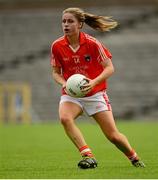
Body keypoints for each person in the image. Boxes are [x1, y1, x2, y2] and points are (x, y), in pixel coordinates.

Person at [50, 7, 145, 169]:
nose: (66, 24)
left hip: (95, 94)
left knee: (113, 136)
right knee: (65, 118)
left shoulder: (93, 43)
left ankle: (134, 158)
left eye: (70, 21)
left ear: (80, 24)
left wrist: (94, 82)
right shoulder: (57, 46)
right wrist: (64, 83)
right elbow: (55, 73)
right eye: (64, 21)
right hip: (72, 94)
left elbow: (109, 68)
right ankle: (88, 156)